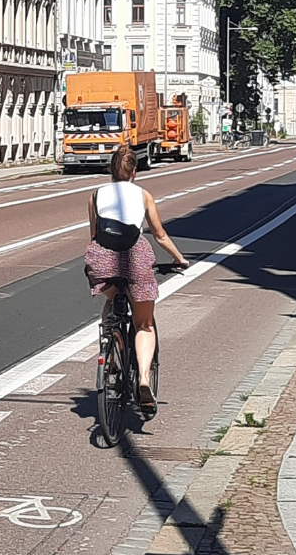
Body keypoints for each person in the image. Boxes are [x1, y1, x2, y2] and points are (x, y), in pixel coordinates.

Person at [84, 146, 189, 415]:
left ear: (111, 170)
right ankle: (143, 380)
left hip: (103, 258)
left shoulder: (95, 196)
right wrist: (179, 259)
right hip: (136, 258)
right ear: (134, 171)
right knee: (143, 324)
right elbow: (160, 235)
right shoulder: (143, 195)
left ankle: (111, 340)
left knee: (113, 298)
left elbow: (95, 235)